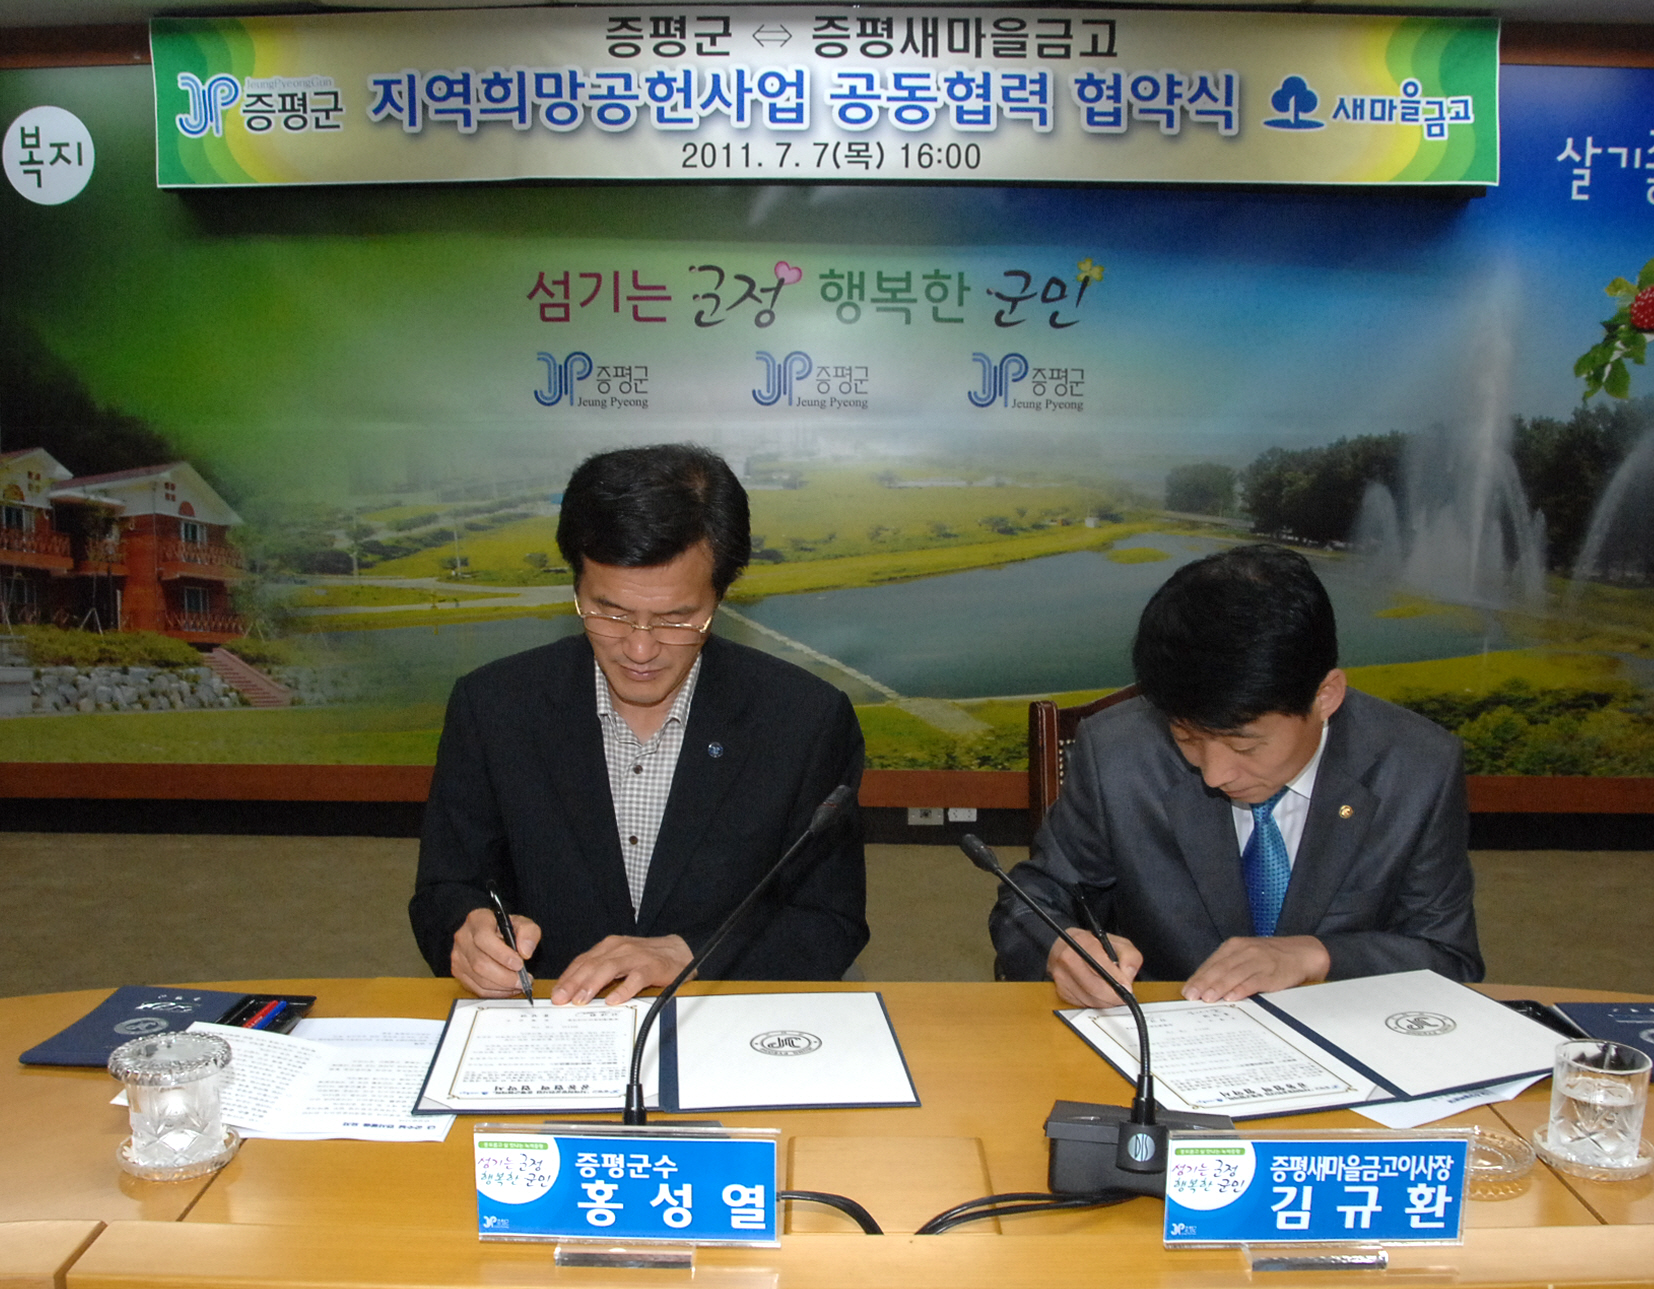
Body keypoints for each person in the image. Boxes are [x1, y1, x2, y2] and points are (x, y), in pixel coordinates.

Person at [410, 444, 867, 1004]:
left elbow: (829, 922)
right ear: (576, 586)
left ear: (721, 595)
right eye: (611, 613)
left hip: (719, 1020)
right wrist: (466, 934)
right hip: (549, 1017)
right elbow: (444, 891)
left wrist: (694, 954)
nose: (640, 649)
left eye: (676, 618)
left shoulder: (804, 720)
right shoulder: (493, 706)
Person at [990, 543, 1482, 1007]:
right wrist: (1061, 948)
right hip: (1169, 1036)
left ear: (1325, 696)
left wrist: (1317, 956)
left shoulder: (1417, 767)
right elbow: (1030, 902)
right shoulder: (1120, 753)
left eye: (1245, 745)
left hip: (1344, 1036)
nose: (1215, 774)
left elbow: (1449, 960)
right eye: (1187, 738)